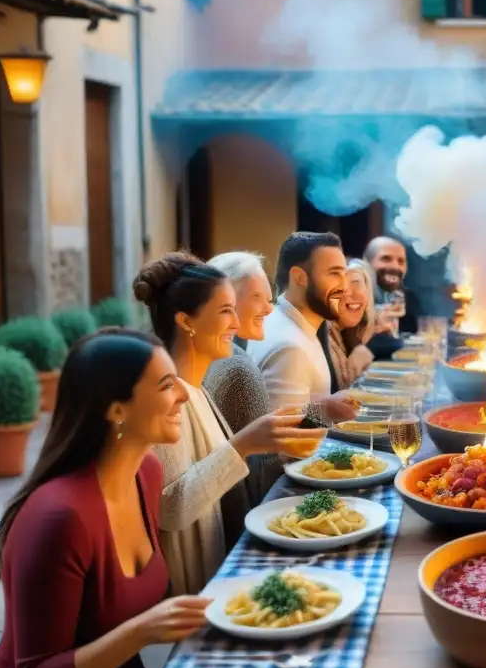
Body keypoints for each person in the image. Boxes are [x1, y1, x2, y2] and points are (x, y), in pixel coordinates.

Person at [0, 330, 212, 668]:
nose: (183, 393)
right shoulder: (60, 519)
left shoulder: (145, 472)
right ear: (116, 410)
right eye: (166, 384)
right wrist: (143, 631)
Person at [134, 251, 328, 594]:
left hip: (216, 569)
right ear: (186, 321)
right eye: (226, 312)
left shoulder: (196, 387)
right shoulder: (165, 395)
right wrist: (246, 444)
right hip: (185, 591)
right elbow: (170, 510)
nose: (236, 324)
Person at [203, 250, 280, 545]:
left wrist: (322, 411)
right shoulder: (238, 366)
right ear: (227, 298)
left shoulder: (220, 355)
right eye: (259, 297)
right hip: (246, 529)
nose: (269, 309)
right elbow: (265, 473)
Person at [247, 232, 361, 418]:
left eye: (344, 275)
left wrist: (328, 407)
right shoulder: (290, 349)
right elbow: (285, 437)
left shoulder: (291, 322)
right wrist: (328, 413)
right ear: (300, 277)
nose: (345, 287)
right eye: (334, 274)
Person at [323, 258, 377, 391]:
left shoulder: (345, 335)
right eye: (340, 286)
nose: (348, 293)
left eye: (355, 283)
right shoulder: (323, 336)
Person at [364, 236, 421, 360]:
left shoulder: (409, 299)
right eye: (386, 259)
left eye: (401, 261)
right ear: (367, 263)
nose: (395, 267)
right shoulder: (351, 299)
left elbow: (411, 341)